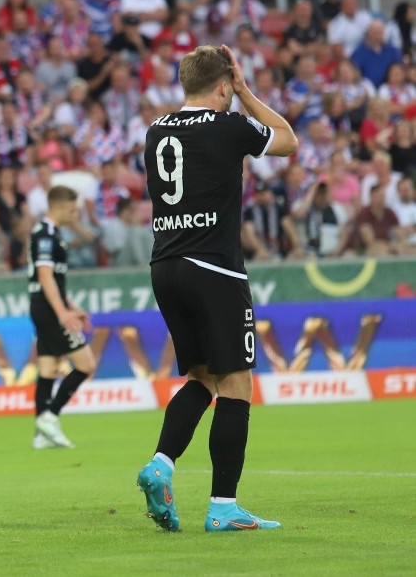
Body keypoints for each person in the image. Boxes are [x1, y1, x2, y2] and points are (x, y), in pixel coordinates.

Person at [137, 45, 297, 533]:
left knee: (202, 378)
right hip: (215, 268)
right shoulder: (228, 123)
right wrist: (247, 92)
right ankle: (223, 507)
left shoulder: (155, 130)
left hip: (166, 266)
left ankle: (161, 464)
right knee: (236, 384)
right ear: (223, 86)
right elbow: (288, 141)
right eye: (230, 89)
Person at [29, 185, 97, 450]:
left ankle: (41, 435)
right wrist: (62, 313)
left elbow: (55, 280)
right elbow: (45, 276)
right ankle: (50, 415)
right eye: (71, 209)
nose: (75, 214)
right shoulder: (45, 234)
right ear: (57, 207)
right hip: (47, 308)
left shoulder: (51, 233)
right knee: (86, 364)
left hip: (44, 305)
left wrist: (73, 306)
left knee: (47, 367)